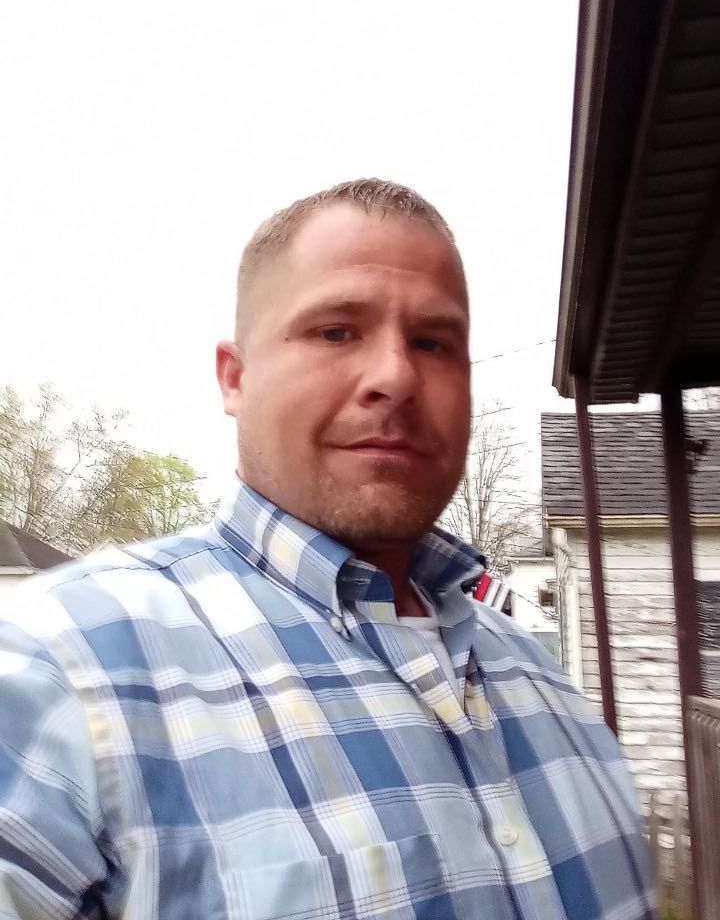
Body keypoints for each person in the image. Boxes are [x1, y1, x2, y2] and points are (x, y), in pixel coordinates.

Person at [0, 179, 656, 920]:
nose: (396, 377)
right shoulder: (61, 677)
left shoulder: (546, 680)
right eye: (336, 331)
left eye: (434, 342)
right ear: (235, 377)